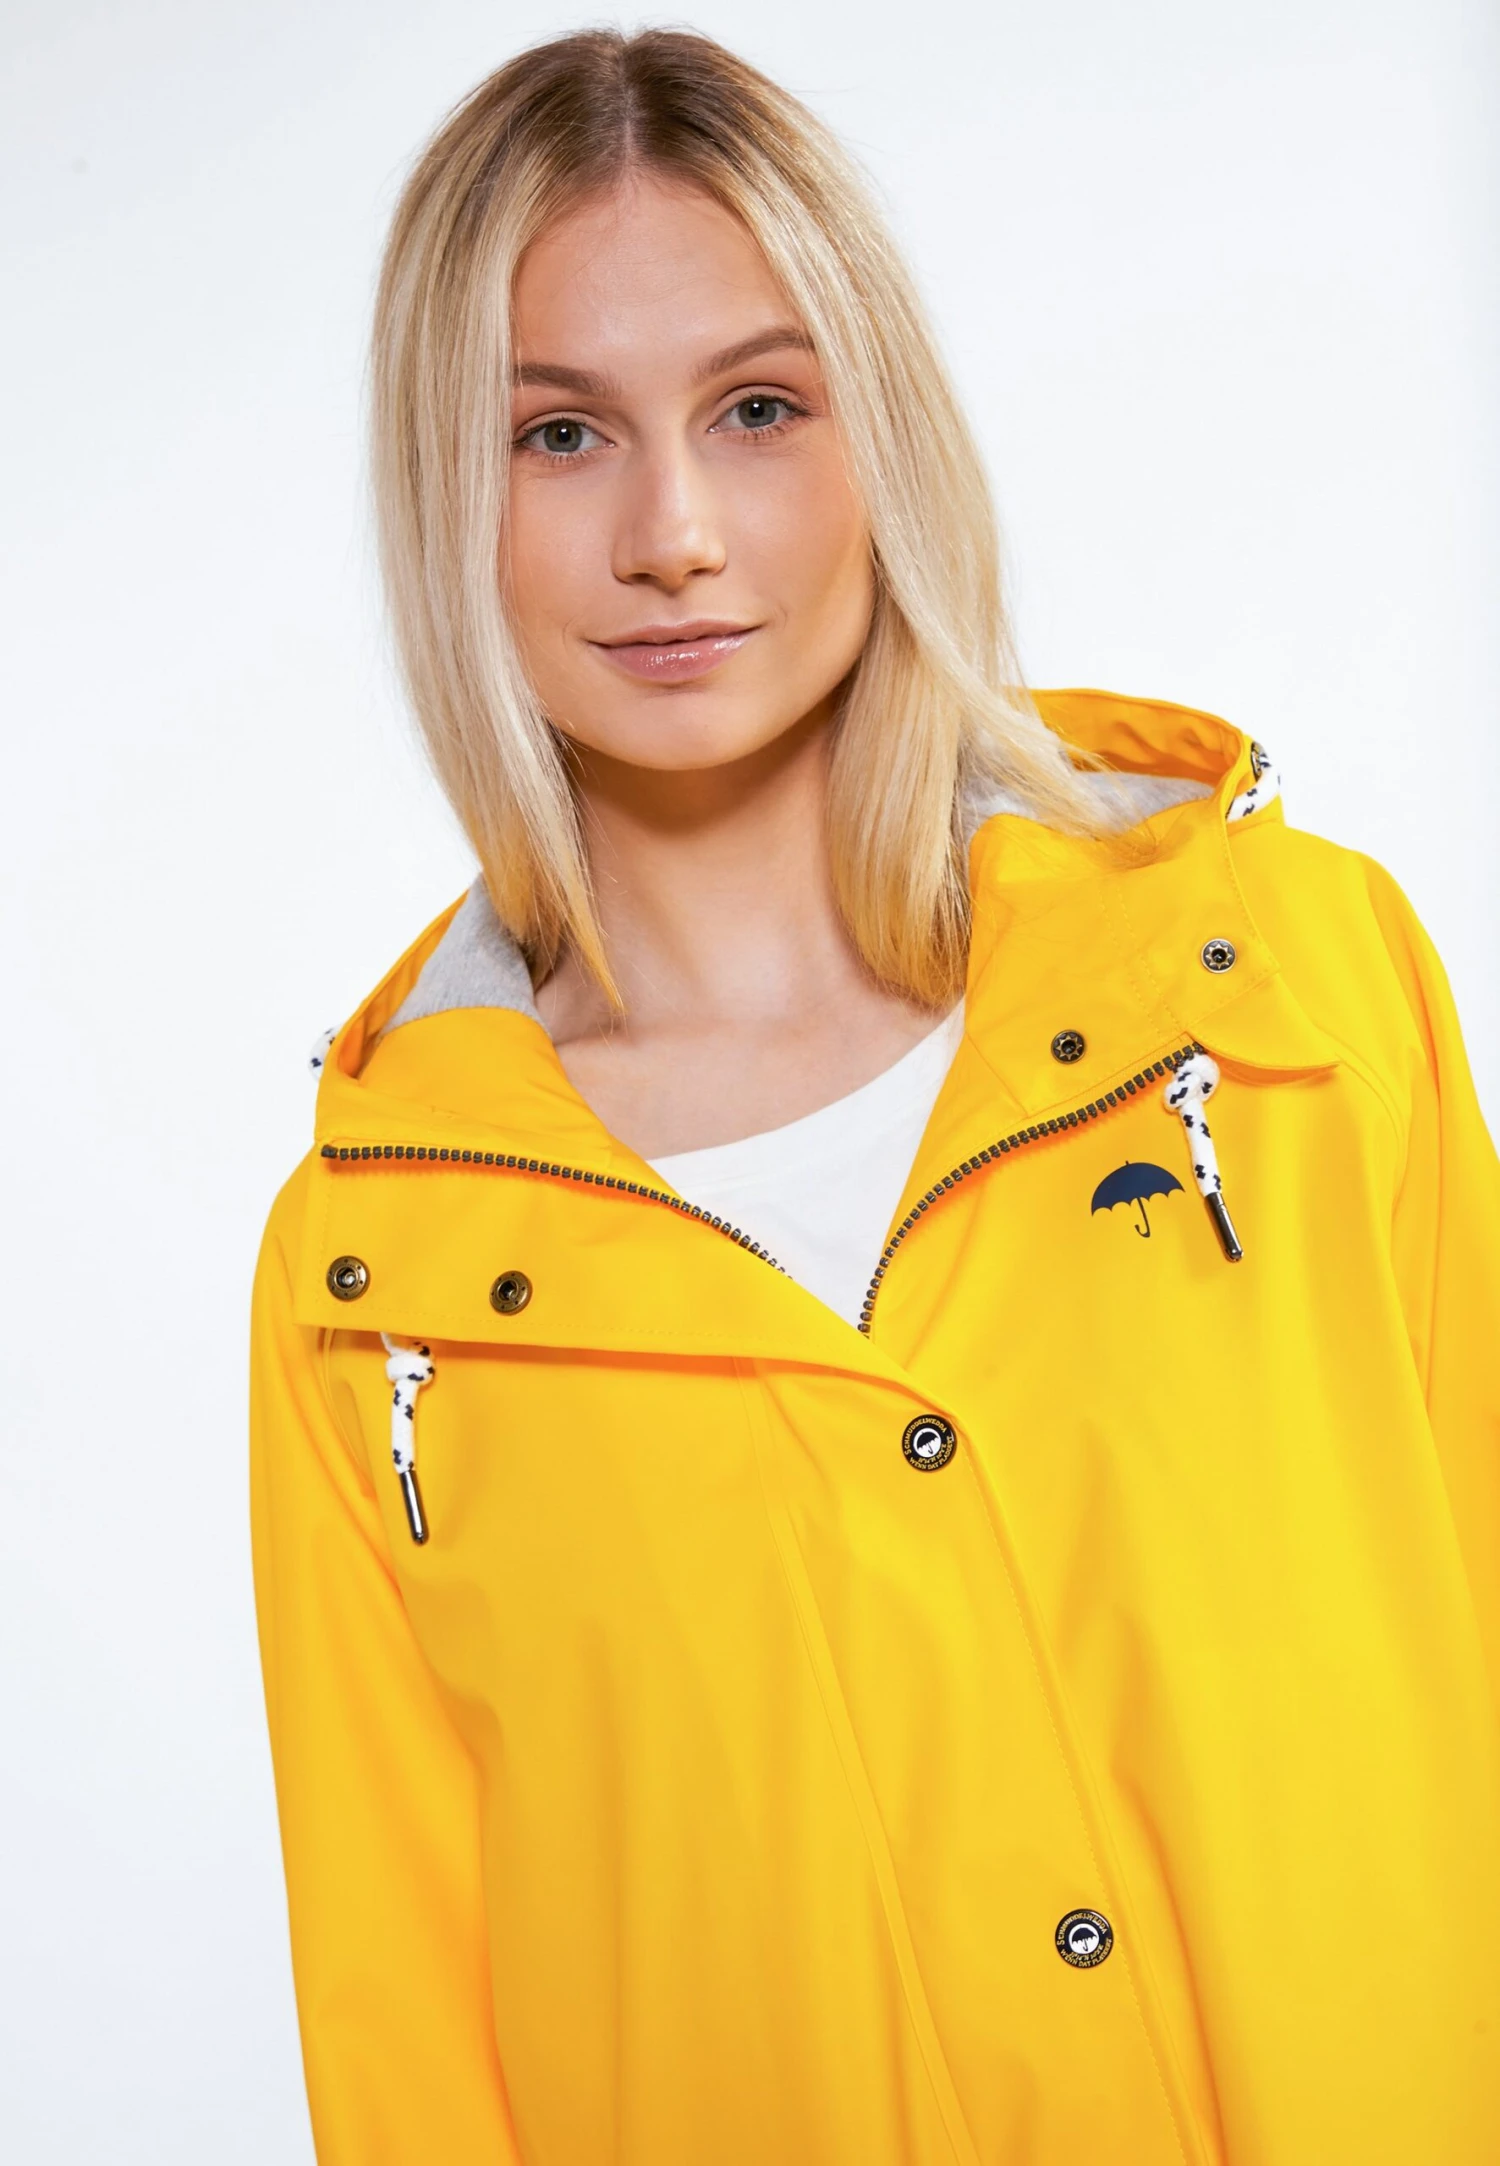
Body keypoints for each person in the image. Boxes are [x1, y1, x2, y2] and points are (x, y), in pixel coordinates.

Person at [249, 28, 1500, 2166]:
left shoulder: (1288, 990)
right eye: (558, 434)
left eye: (759, 408)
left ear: (880, 432)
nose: (673, 534)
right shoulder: (375, 1285)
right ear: (446, 498)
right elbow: (412, 2055)